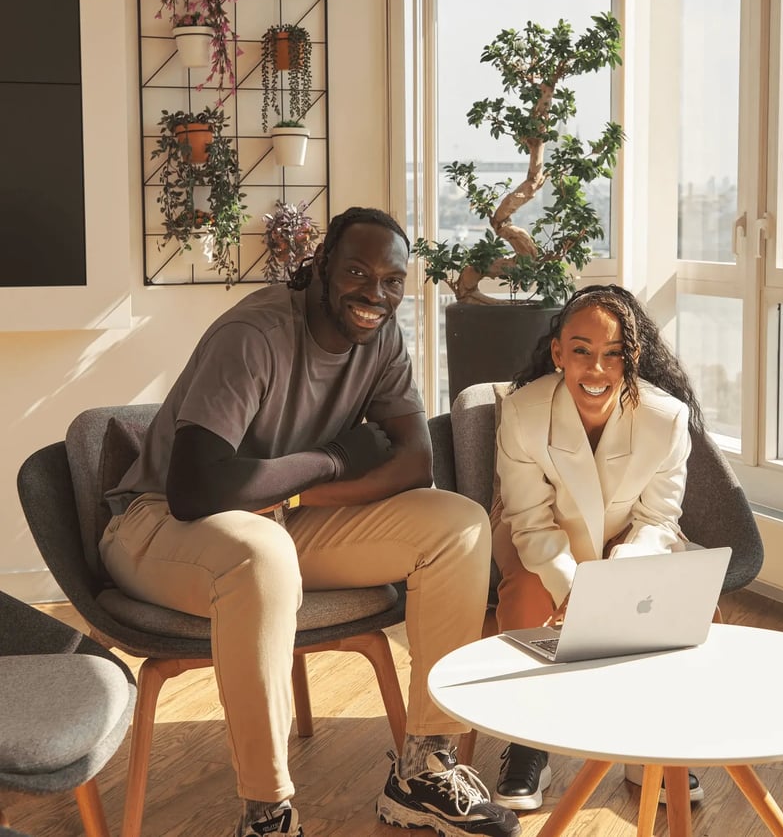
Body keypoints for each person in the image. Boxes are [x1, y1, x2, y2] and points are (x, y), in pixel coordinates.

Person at [100, 207, 520, 837]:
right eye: (356, 271)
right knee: (262, 552)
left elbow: (414, 464)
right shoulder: (254, 335)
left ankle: (423, 768)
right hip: (157, 525)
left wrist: (300, 498)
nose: (374, 294)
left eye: (390, 280)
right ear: (320, 266)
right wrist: (332, 459)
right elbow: (197, 488)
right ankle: (266, 812)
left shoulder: (381, 338)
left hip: (274, 521)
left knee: (458, 526)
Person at [488, 284, 706, 811]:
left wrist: (617, 578)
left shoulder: (667, 418)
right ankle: (528, 739)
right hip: (535, 534)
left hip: (632, 539)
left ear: (633, 357)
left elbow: (658, 518)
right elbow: (529, 518)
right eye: (581, 350)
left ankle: (646, 739)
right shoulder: (522, 412)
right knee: (527, 596)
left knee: (679, 603)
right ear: (558, 352)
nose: (596, 369)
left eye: (614, 354)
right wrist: (575, 586)